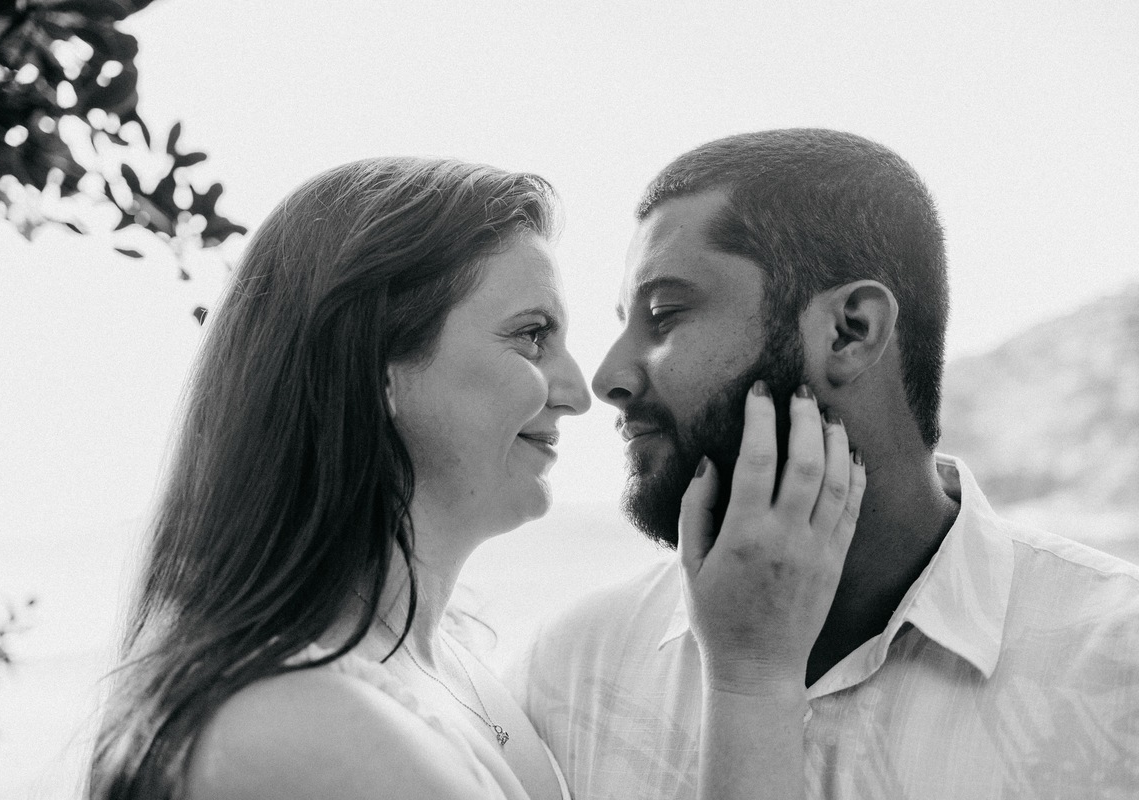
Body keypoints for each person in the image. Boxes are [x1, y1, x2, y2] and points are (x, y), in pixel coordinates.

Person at [89, 156, 865, 800]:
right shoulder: (294, 727)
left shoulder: (451, 668)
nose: (578, 387)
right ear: (372, 372)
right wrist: (754, 679)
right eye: (530, 337)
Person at [509, 129, 1139, 799]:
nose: (607, 377)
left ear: (851, 331)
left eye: (665, 313)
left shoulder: (1119, 661)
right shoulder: (573, 672)